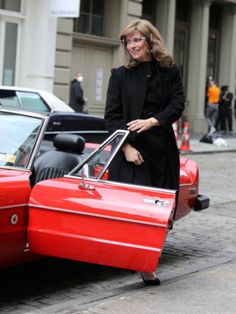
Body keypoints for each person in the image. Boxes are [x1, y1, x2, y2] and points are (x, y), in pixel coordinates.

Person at [104, 19, 185, 286]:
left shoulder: (169, 71)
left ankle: (146, 260)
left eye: (137, 39)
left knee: (163, 213)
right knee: (138, 214)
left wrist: (152, 121)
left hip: (162, 152)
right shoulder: (119, 75)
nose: (132, 45)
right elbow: (112, 117)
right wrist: (126, 147)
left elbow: (177, 104)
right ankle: (144, 265)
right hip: (131, 154)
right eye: (128, 41)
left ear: (150, 41)